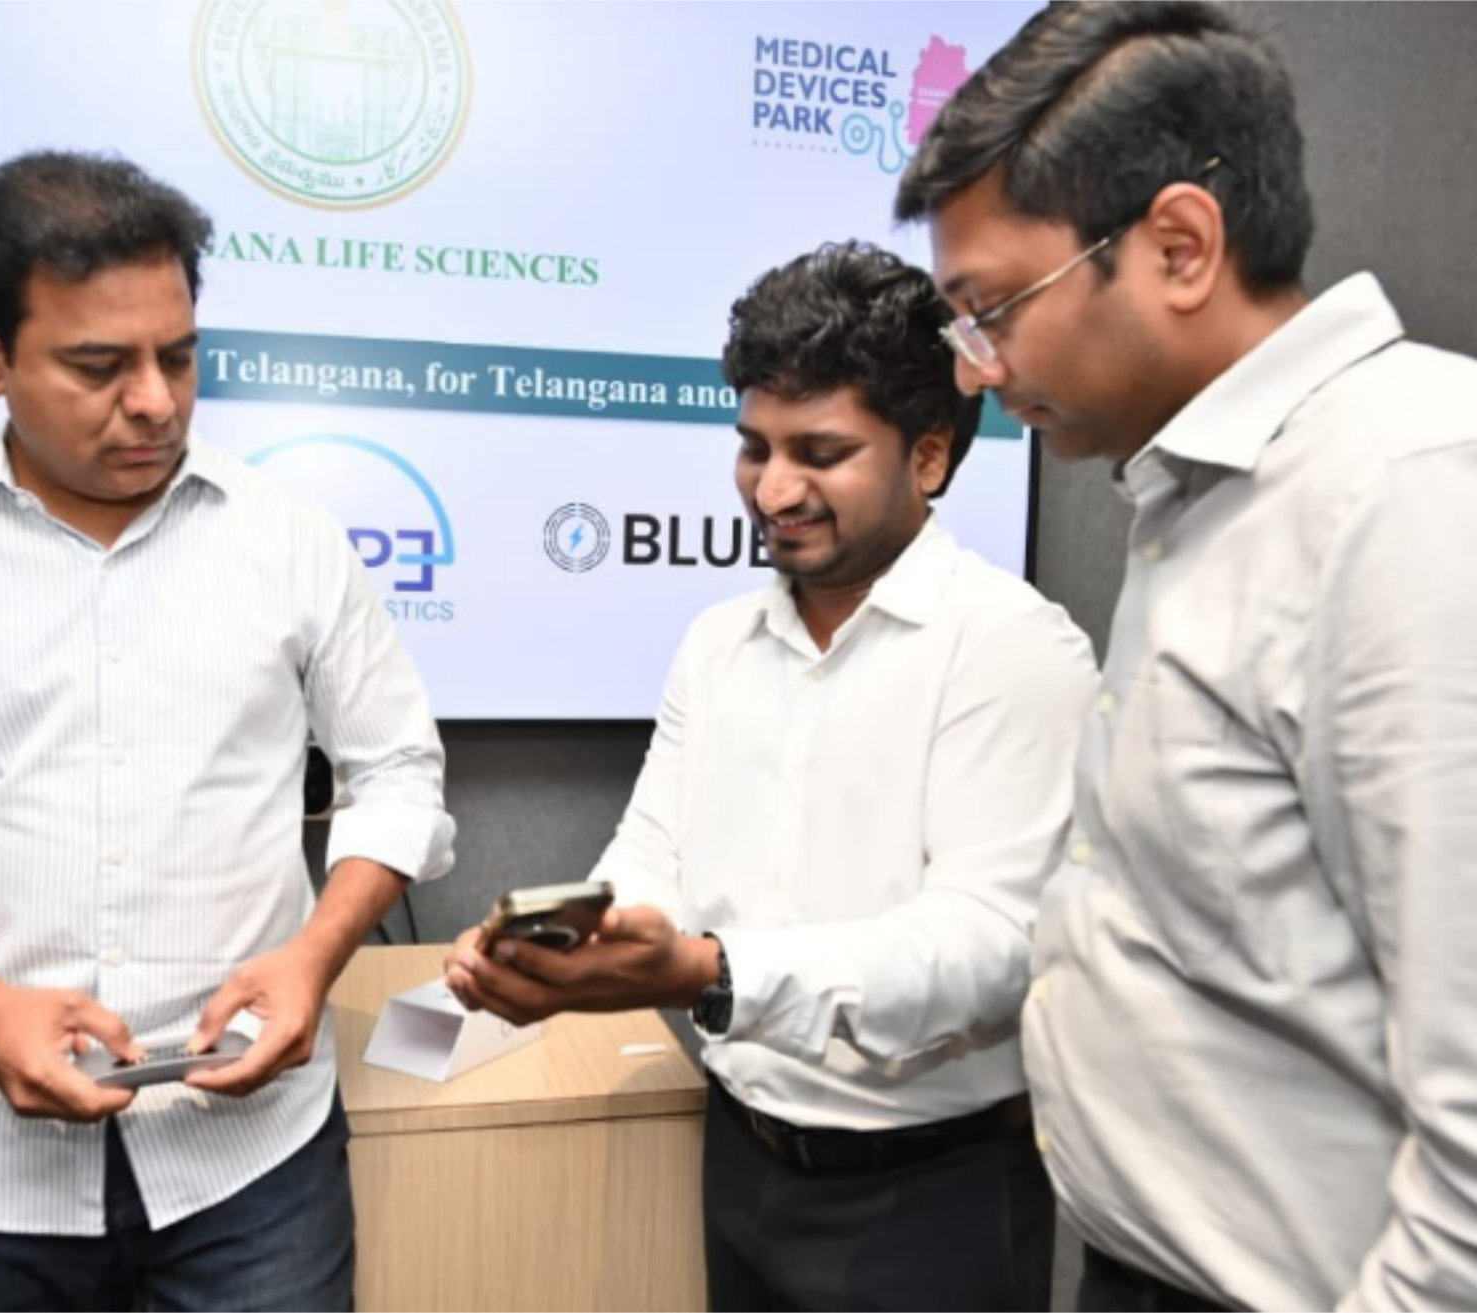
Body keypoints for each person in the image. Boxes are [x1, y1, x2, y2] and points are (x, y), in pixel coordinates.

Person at [0, 150, 455, 1313]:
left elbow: (400, 773)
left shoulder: (290, 540)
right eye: (99, 365)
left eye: (179, 355)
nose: (156, 400)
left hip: (252, 1165)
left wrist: (317, 951)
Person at [896, 3, 1477, 1310]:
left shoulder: (1415, 493)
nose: (972, 372)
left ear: (1179, 247)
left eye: (991, 310)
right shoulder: (1204, 494)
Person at [446, 240, 1098, 1313]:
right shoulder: (717, 643)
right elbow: (651, 851)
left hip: (928, 1192)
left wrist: (713, 973)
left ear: (929, 456)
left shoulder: (1011, 647)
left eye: (821, 451)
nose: (774, 488)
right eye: (754, 446)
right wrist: (572, 945)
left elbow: (991, 946)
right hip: (741, 1158)